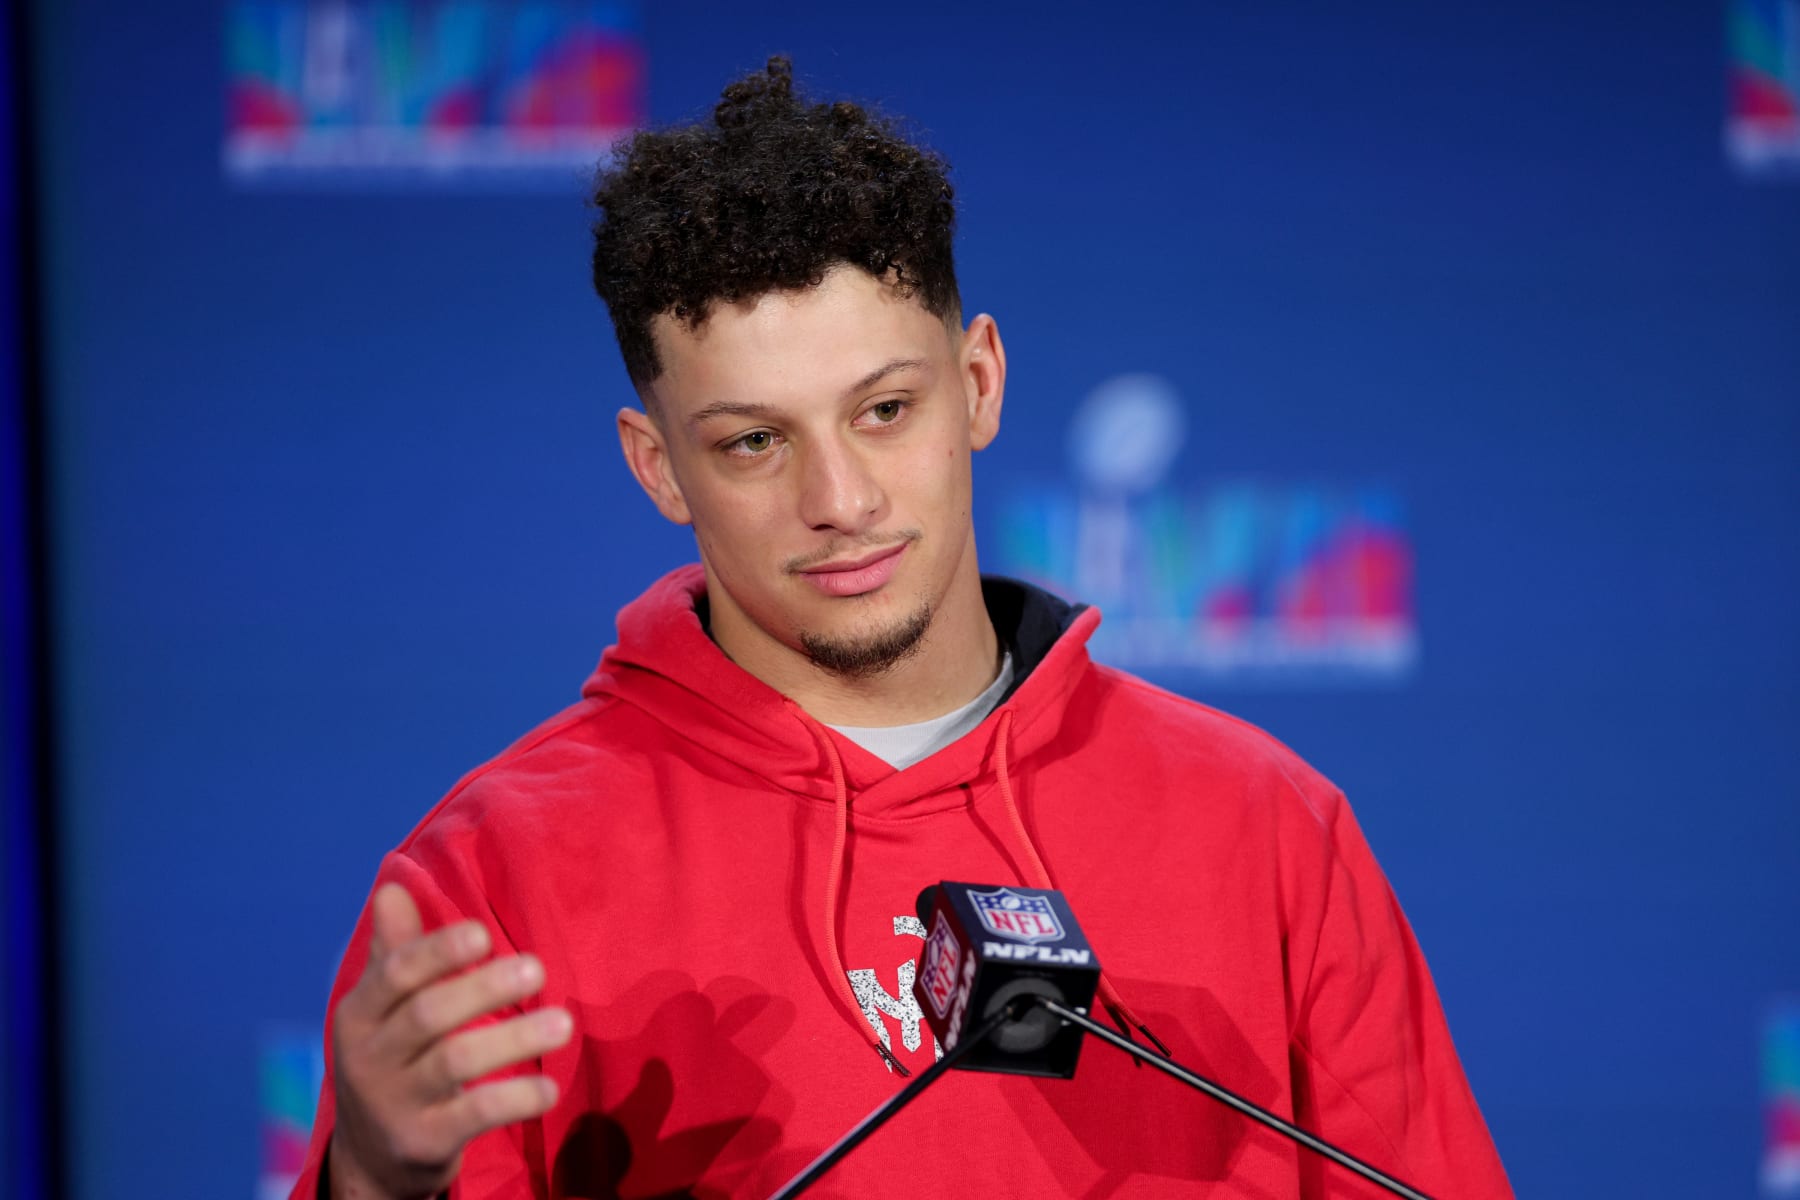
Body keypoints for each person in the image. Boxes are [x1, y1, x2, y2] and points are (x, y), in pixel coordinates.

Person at [293, 57, 1512, 1200]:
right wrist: (375, 1183)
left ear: (977, 382)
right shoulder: (497, 875)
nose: (841, 502)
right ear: (659, 468)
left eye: (884, 409)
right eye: (753, 442)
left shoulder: (1269, 828)